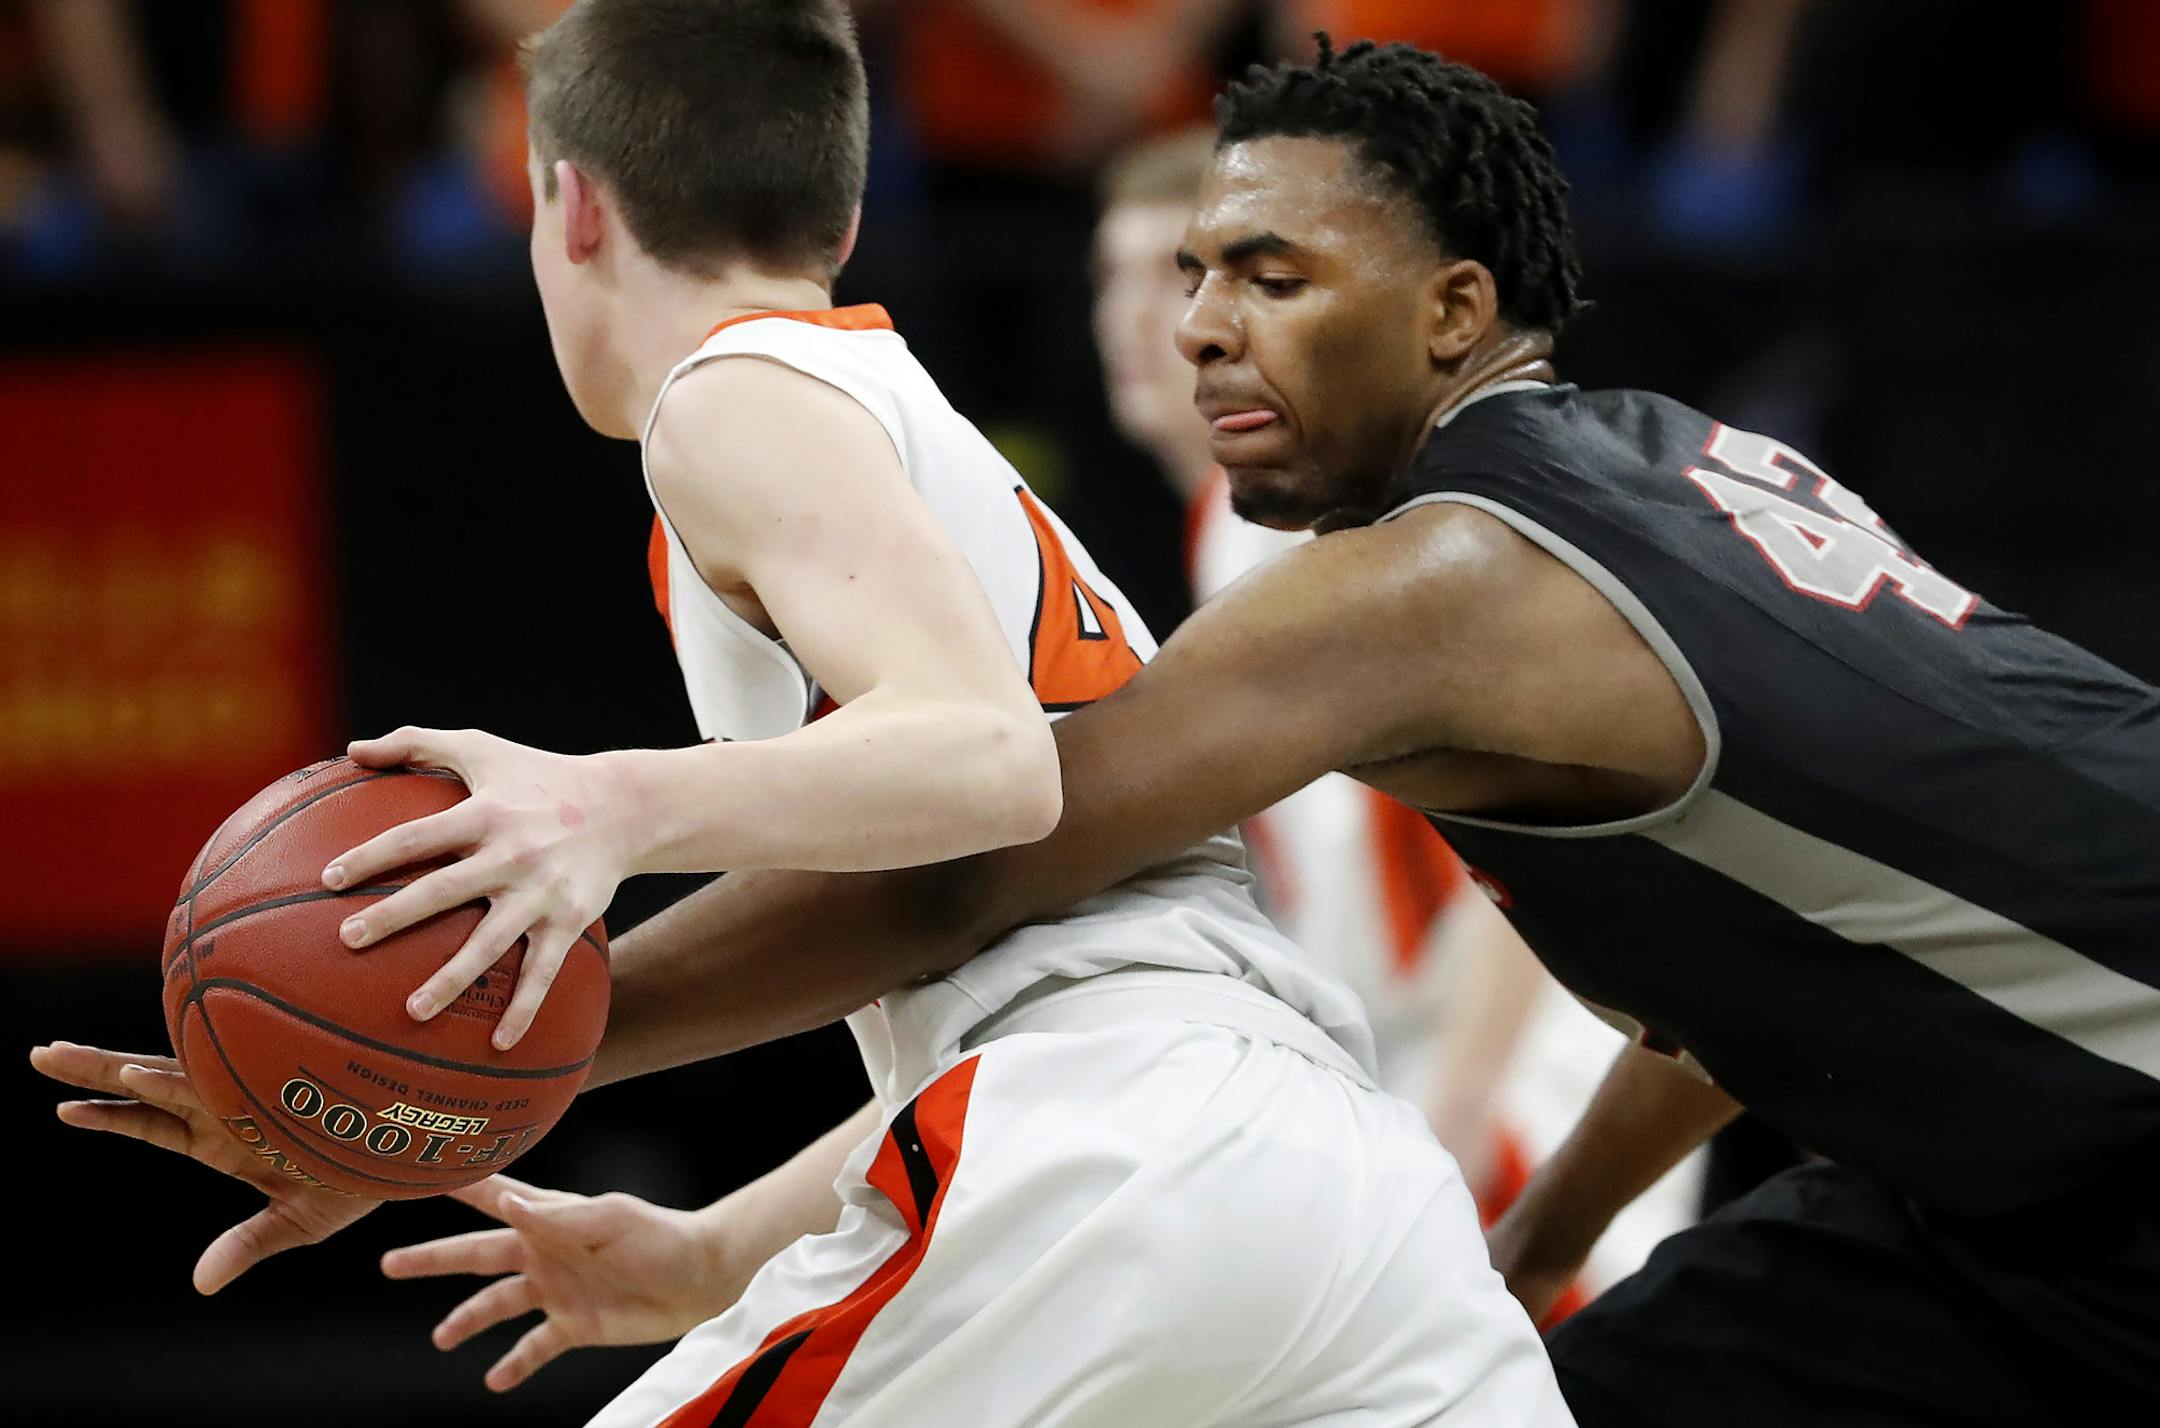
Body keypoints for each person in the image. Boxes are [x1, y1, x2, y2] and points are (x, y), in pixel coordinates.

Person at [45, 33, 2160, 1424]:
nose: (1204, 328)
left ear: (1451, 313)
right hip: (1857, 1183)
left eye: (1268, 276)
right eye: (1183, 279)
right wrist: (1519, 1250)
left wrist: (469, 1039)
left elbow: (980, 841)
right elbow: (1745, 988)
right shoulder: (1686, 467)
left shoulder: (1418, 592)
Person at [1091, 125, 1700, 1299]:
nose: (1137, 319)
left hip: (1520, 1049)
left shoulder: (1333, 524)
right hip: (1416, 1055)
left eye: (1171, 278)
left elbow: (1547, 790)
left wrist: (1464, 1093)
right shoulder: (1228, 532)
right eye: (1107, 280)